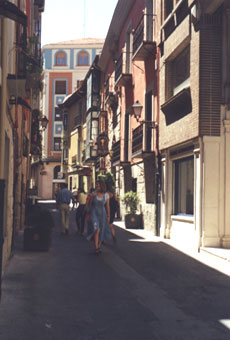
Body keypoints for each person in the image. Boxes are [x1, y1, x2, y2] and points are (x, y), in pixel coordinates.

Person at [86, 180, 111, 254]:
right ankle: (96, 246)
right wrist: (91, 198)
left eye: (99, 185)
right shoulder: (93, 194)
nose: (97, 186)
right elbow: (90, 204)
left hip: (103, 213)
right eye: (96, 185)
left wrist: (108, 215)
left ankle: (98, 246)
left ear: (102, 186)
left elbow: (107, 206)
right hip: (94, 212)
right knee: (97, 229)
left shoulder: (106, 195)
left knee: (102, 230)